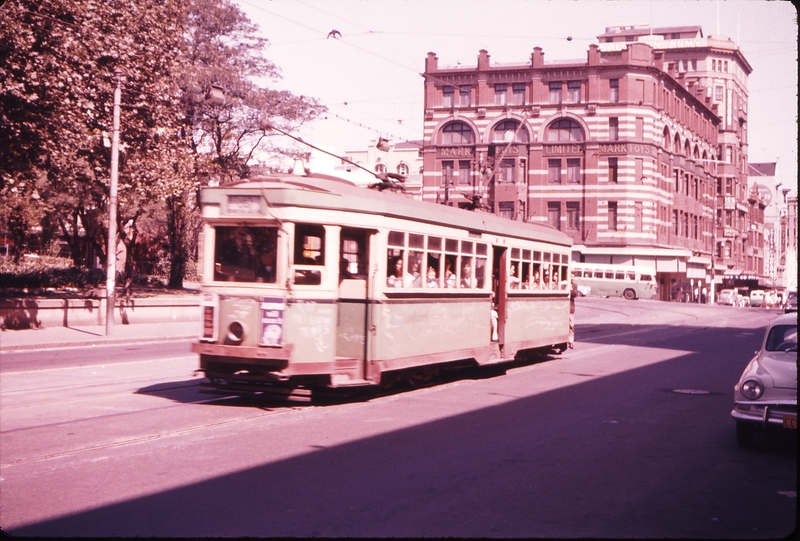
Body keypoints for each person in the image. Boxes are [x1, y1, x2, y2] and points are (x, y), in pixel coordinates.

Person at [568, 280, 578, 348]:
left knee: (571, 326)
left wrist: (571, 290)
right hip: (563, 307)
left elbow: (575, 294)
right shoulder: (563, 283)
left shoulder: (574, 285)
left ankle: (570, 341)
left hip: (570, 309)